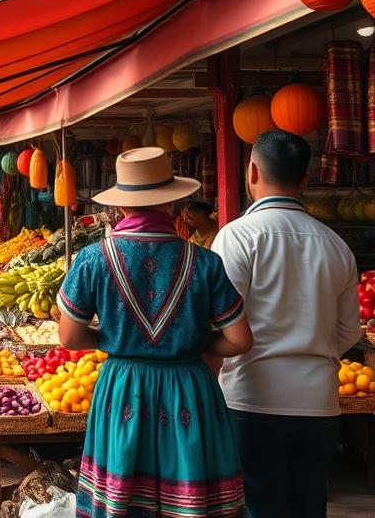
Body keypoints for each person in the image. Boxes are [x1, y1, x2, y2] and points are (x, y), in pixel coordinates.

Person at [55, 148, 250, 517]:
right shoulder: (205, 262)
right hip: (189, 387)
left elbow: (69, 337)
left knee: (123, 495)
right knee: (190, 492)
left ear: (121, 205)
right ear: (172, 201)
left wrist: (111, 339)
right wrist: (197, 342)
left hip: (124, 387)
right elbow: (240, 339)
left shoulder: (94, 259)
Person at [211, 131, 360, 518]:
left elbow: (218, 322)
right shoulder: (336, 244)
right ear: (305, 180)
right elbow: (349, 331)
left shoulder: (238, 236)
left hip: (252, 398)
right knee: (309, 504)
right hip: (318, 402)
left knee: (260, 506)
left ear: (252, 172)